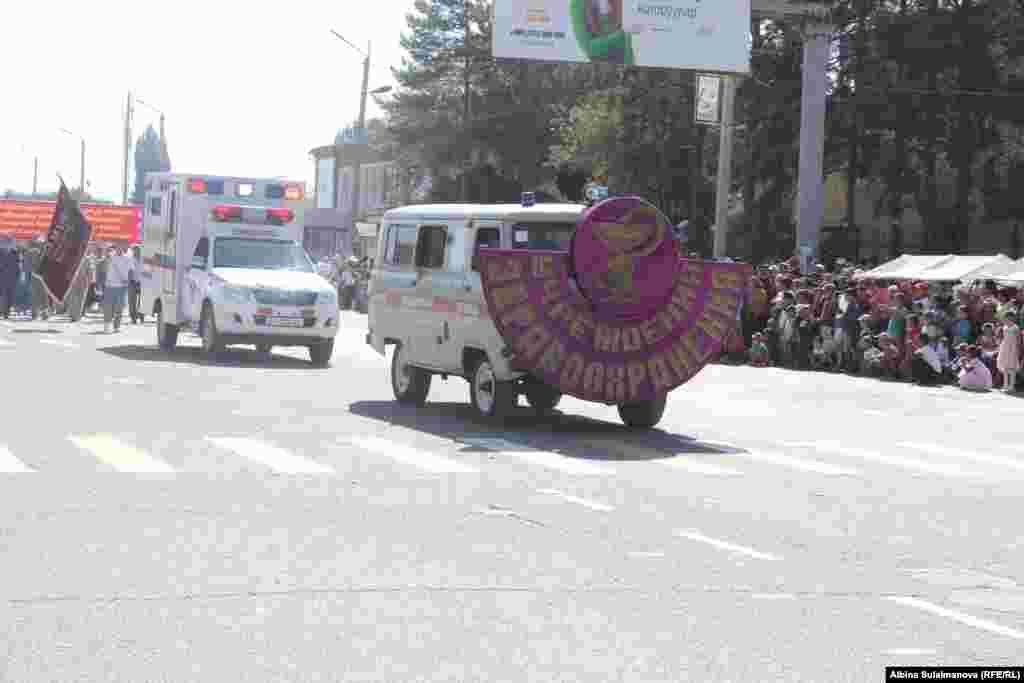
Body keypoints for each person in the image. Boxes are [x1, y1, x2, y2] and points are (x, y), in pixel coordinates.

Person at [103, 243, 133, 333]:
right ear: (115, 248)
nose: (119, 249)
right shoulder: (110, 258)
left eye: (121, 247)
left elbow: (131, 271)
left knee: (119, 308)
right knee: (108, 307)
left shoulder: (128, 259)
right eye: (117, 247)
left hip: (121, 286)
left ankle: (117, 326)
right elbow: (103, 258)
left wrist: (128, 281)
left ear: (123, 248)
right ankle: (107, 325)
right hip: (110, 286)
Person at [997, 309, 1020, 393]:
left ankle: (1011, 386)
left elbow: (1018, 339)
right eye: (1006, 319)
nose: (1007, 320)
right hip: (1005, 347)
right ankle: (1005, 385)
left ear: (1013, 318)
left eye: (1009, 318)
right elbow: (1004, 338)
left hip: (1013, 348)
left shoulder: (1015, 327)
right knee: (1005, 367)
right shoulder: (1004, 327)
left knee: (1012, 368)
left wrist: (1017, 349)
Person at [0, 246, 20, 320]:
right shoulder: (1, 252)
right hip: (3, 277)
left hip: (12, 278)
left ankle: (6, 311)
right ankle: (4, 311)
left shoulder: (15, 253)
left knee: (10, 296)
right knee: (3, 294)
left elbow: (18, 266)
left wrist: (18, 275)